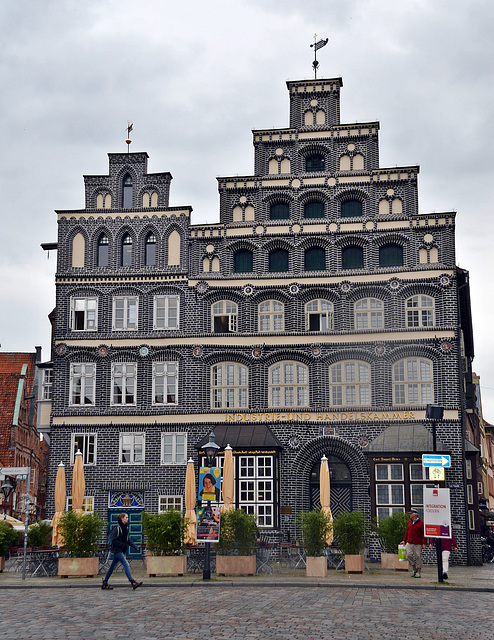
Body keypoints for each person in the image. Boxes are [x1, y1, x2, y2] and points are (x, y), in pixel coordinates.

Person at [102, 513, 143, 590]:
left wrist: (135, 547)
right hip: (117, 550)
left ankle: (105, 582)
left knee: (112, 567)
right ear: (122, 519)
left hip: (121, 550)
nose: (128, 519)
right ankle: (132, 582)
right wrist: (122, 545)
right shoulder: (117, 528)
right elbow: (113, 540)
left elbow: (128, 540)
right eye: (126, 517)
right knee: (126, 564)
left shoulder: (125, 528)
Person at [400, 508, 426, 578]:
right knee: (408, 555)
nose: (409, 515)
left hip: (417, 543)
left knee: (418, 557)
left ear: (414, 515)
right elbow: (407, 531)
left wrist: (424, 543)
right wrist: (404, 540)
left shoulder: (421, 523)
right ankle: (414, 567)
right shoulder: (410, 522)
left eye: (410, 514)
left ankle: (419, 571)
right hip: (409, 541)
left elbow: (424, 534)